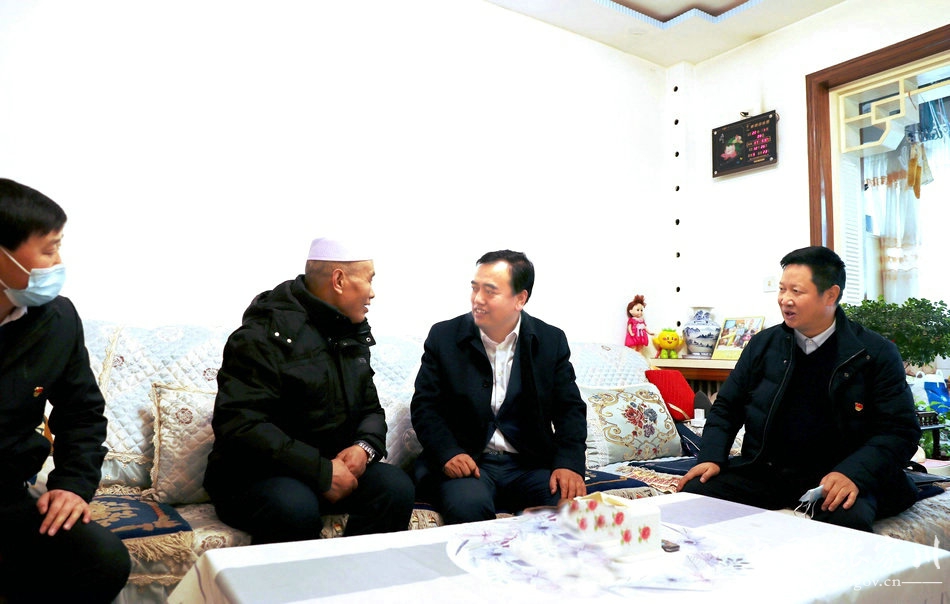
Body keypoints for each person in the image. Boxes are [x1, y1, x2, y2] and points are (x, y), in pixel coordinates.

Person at [677, 245, 921, 532]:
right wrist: (711, 457)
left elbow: (899, 431)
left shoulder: (874, 353)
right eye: (782, 289)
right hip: (769, 472)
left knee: (847, 519)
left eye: (797, 291)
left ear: (830, 295)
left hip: (837, 476)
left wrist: (853, 474)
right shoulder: (763, 345)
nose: (785, 299)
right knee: (696, 492)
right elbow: (727, 408)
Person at [204, 237, 414, 543]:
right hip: (257, 475)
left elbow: (371, 409)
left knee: (395, 487)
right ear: (338, 281)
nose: (372, 293)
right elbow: (241, 425)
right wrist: (320, 472)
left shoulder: (349, 332)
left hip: (329, 469)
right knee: (294, 507)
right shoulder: (262, 335)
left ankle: (355, 572)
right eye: (369, 280)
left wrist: (363, 448)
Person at [0, 178, 131, 602]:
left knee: (101, 559)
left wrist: (72, 484)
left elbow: (81, 412)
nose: (58, 261)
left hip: (5, 495)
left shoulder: (55, 320)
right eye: (49, 249)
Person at [410, 249, 588, 524]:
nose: (477, 299)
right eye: (475, 288)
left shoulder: (550, 341)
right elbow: (425, 406)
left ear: (520, 299)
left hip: (529, 465)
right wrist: (448, 452)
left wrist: (569, 463)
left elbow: (570, 409)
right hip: (470, 464)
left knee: (569, 510)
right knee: (468, 506)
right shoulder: (444, 336)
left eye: (490, 291)